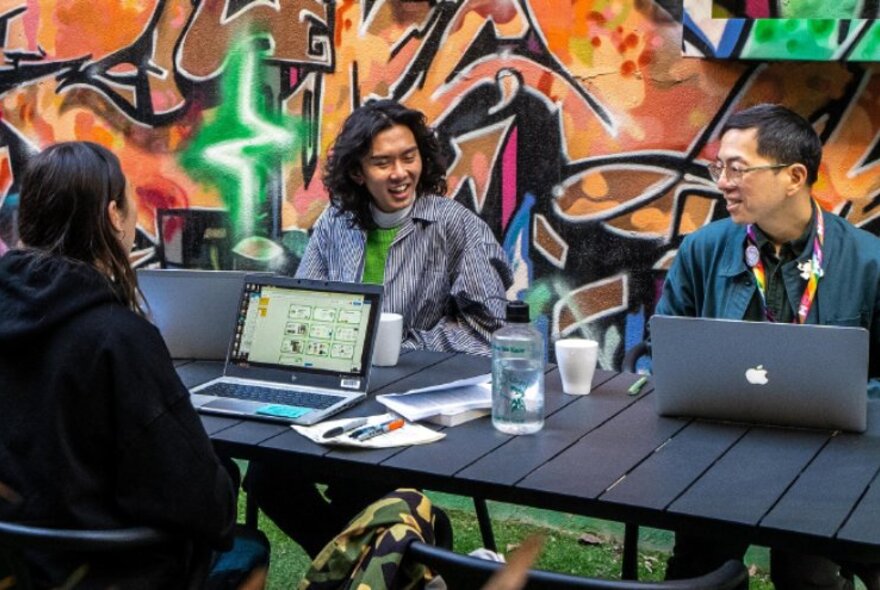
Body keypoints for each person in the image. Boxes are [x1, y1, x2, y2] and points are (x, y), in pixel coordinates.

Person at [246, 99, 512, 557]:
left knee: (365, 485)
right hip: (340, 396)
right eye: (382, 162)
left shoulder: (457, 227)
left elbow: (489, 331)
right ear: (357, 172)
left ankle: (366, 559)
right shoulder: (335, 222)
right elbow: (305, 304)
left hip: (413, 406)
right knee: (266, 473)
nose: (400, 172)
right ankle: (362, 564)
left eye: (409, 157)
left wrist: (406, 346)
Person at [656, 104, 880, 588]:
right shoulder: (703, 250)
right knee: (696, 574)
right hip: (720, 453)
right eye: (719, 168)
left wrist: (850, 409)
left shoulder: (869, 262)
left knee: (807, 574)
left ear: (794, 177)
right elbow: (667, 353)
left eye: (737, 168)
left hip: (832, 458)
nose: (723, 182)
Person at [0, 142, 239, 588]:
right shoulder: (117, 337)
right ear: (113, 216)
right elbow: (207, 510)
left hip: (19, 568)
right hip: (108, 570)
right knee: (246, 549)